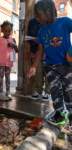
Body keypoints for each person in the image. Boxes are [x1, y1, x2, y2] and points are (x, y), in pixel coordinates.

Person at [27, 0, 72, 131]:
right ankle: (60, 114)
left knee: (68, 91)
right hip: (50, 65)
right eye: (35, 15)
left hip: (66, 65)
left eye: (38, 14)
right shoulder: (41, 31)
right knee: (55, 90)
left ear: (48, 11)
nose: (36, 18)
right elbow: (40, 50)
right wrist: (34, 67)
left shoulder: (64, 22)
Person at [0, 21, 18, 101]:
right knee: (1, 77)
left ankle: (8, 92)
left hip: (8, 61)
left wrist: (13, 45)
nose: (7, 33)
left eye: (9, 31)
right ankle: (1, 93)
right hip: (1, 61)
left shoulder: (13, 40)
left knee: (8, 77)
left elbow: (17, 50)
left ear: (11, 31)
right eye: (5, 31)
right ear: (2, 30)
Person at [27, 18, 50, 101]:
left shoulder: (48, 22)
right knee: (38, 72)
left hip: (47, 51)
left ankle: (47, 92)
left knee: (47, 72)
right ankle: (39, 91)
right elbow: (28, 36)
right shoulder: (32, 22)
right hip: (35, 50)